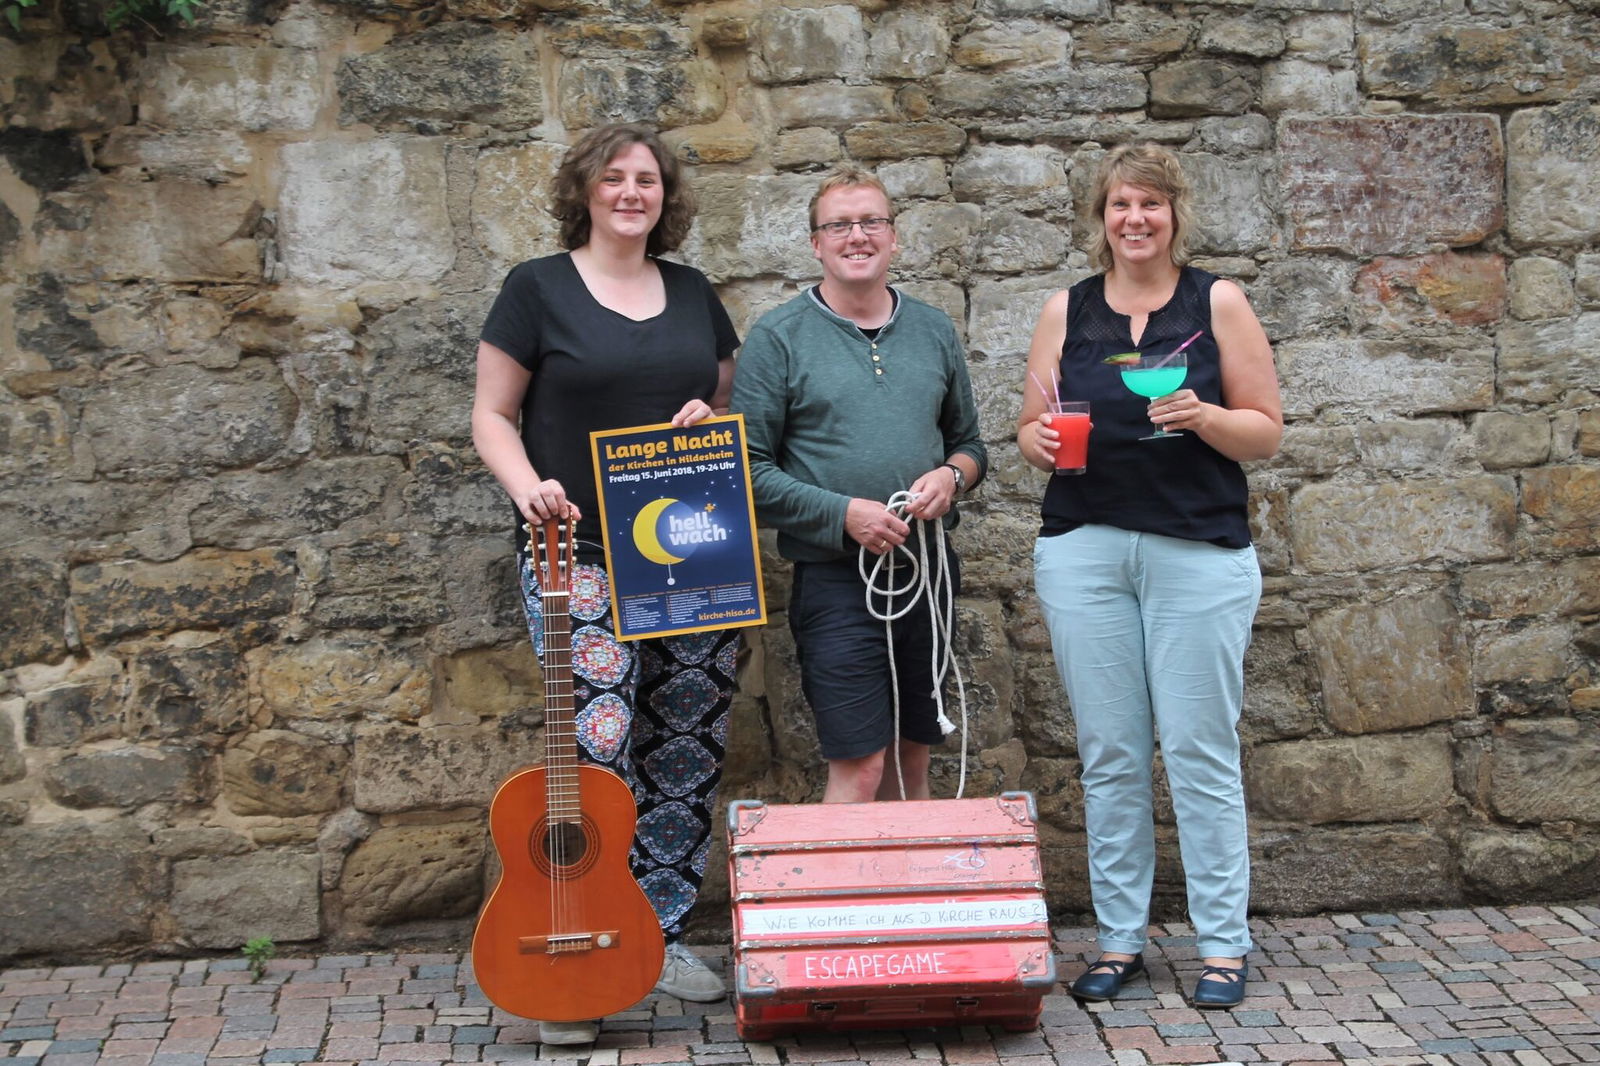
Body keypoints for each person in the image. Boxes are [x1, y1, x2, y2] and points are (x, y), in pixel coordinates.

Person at [471, 122, 739, 1044]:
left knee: (685, 745)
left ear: (667, 196)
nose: (634, 192)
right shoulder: (535, 290)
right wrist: (528, 489)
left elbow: (723, 401)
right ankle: (573, 958)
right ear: (585, 190)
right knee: (594, 747)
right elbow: (492, 415)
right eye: (616, 178)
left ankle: (656, 939)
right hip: (571, 552)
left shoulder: (697, 294)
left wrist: (711, 411)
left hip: (692, 552)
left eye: (649, 180)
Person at [1016, 143, 1282, 1010]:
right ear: (1101, 218)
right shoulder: (1067, 308)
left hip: (1196, 551)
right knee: (1111, 755)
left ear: (1175, 215)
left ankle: (1223, 945)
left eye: (1151, 205)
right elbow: (1030, 425)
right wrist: (1038, 442)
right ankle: (1120, 940)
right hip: (1085, 548)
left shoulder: (1219, 302)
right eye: (1121, 205)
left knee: (1201, 752)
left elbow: (1266, 431)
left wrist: (1205, 416)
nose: (1135, 219)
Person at [731, 167, 987, 805]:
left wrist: (952, 477)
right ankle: (839, 906)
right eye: (839, 224)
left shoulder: (932, 330)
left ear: (894, 238)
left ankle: (916, 907)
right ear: (815, 243)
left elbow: (972, 446)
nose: (857, 235)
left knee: (912, 763)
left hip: (927, 572)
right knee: (862, 766)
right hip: (836, 580)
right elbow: (747, 471)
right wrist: (841, 513)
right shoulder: (778, 338)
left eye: (871, 221)